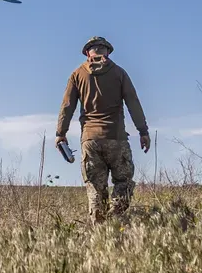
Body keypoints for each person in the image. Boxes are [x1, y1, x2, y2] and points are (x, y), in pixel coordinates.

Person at [55, 36, 151, 222]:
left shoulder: (77, 75)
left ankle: (99, 231)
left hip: (90, 140)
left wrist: (61, 134)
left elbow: (67, 106)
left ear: (87, 52)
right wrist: (143, 131)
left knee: (95, 189)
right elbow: (133, 102)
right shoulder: (119, 73)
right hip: (117, 138)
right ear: (107, 51)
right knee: (123, 183)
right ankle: (115, 221)